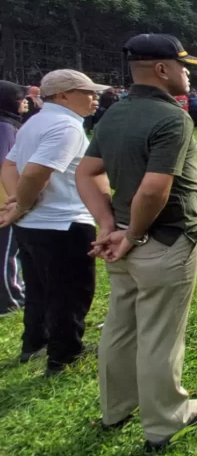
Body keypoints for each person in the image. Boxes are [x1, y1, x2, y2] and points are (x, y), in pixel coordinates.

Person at [76, 34, 197, 451]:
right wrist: (132, 233)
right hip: (161, 240)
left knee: (122, 327)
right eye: (182, 65)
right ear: (161, 69)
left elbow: (86, 174)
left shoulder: (115, 113)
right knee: (160, 334)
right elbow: (155, 190)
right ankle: (165, 421)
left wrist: (108, 227)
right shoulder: (173, 118)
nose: (188, 73)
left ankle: (116, 408)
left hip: (122, 240)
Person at [0, 70, 104, 376]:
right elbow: (36, 174)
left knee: (39, 289)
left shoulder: (35, 122)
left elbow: (8, 164)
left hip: (33, 224)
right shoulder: (66, 126)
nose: (94, 98)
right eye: (87, 92)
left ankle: (34, 343)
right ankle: (64, 355)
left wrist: (16, 201)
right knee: (70, 292)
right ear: (63, 95)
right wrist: (22, 202)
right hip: (63, 222)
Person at [0, 82, 28, 315]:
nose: (26, 102)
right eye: (21, 98)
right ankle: (10, 299)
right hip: (3, 201)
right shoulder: (5, 128)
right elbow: (5, 163)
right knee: (6, 253)